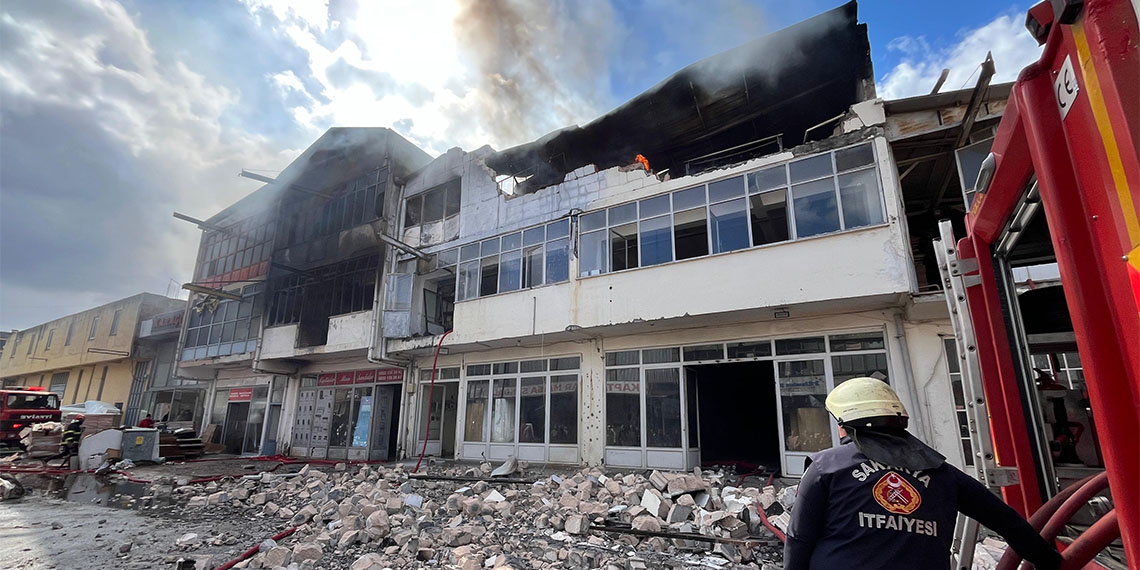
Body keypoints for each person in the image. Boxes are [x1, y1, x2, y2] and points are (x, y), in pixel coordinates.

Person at [783, 377, 1062, 570]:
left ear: (843, 424)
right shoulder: (943, 473)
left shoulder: (825, 467)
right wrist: (1049, 561)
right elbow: (1007, 521)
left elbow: (799, 538)